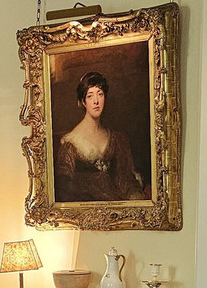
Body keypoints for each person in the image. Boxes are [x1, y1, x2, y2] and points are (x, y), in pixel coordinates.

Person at [54, 71, 146, 202]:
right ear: (83, 102)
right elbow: (63, 187)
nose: (96, 101)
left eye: (100, 94)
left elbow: (123, 176)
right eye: (90, 96)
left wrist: (135, 197)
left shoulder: (112, 139)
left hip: (115, 202)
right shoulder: (71, 143)